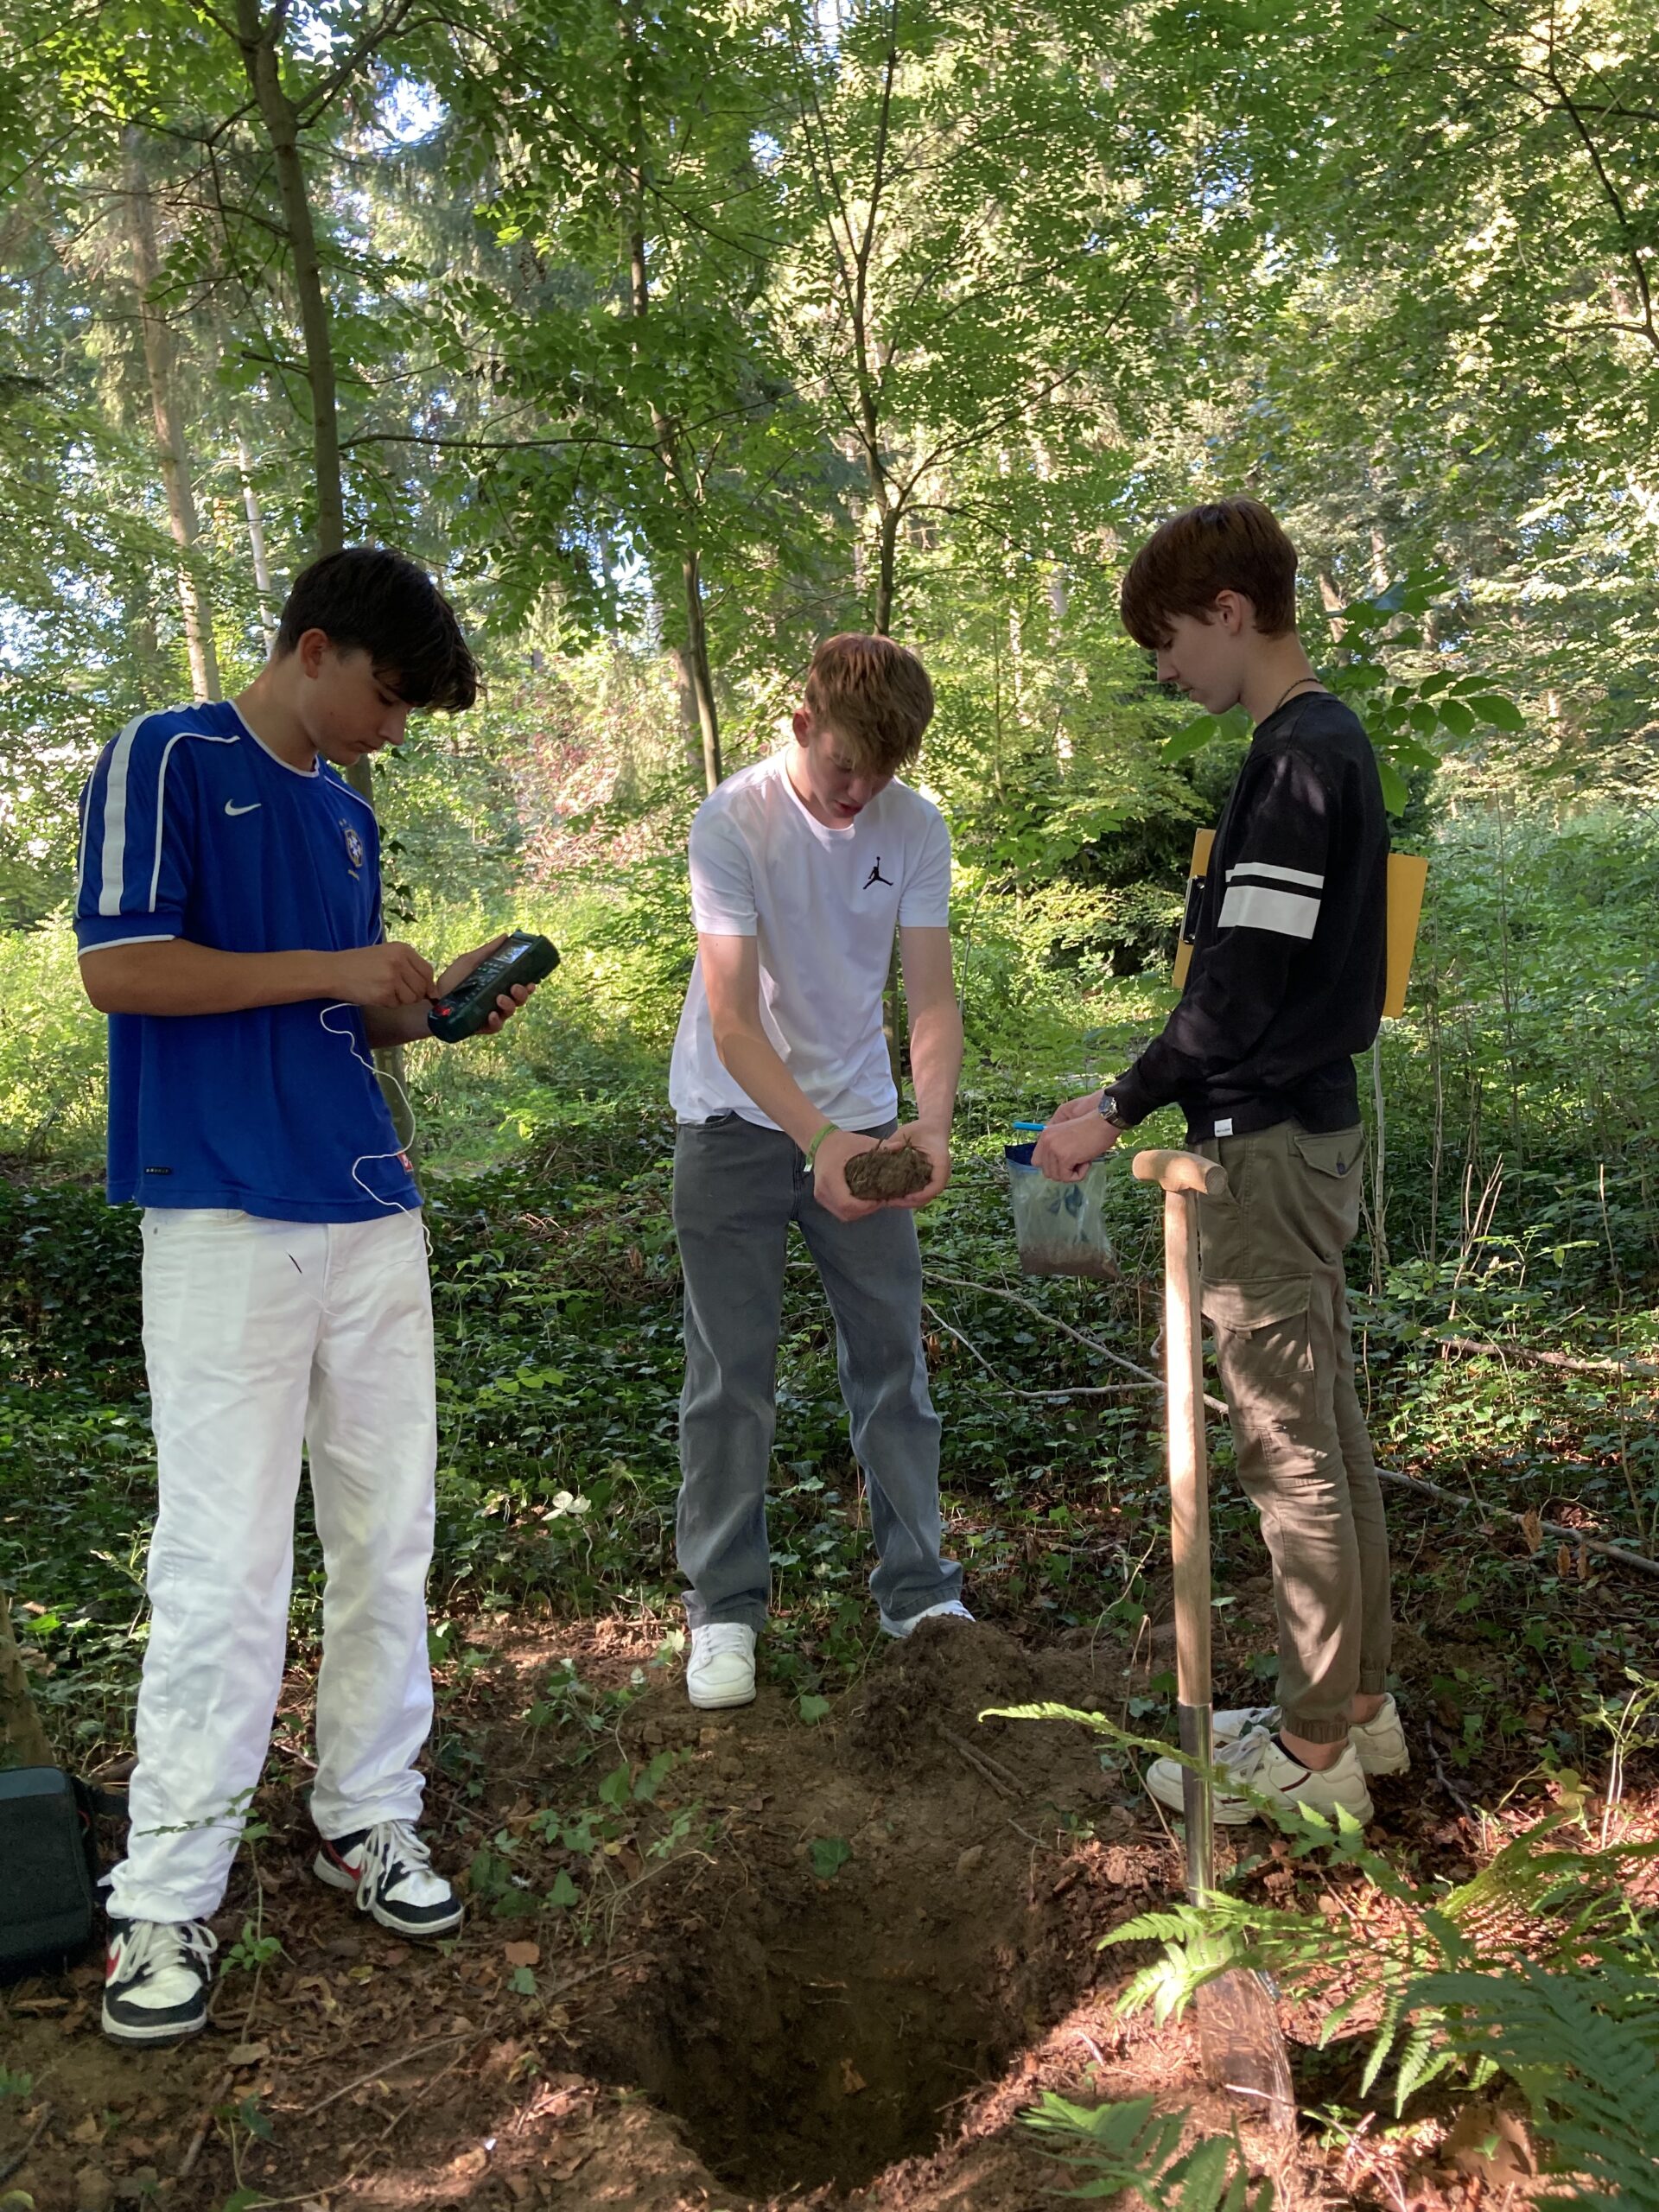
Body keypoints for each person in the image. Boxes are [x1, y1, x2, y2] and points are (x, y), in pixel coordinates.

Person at [74, 548, 538, 2046]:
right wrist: (330, 964)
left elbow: (341, 1014)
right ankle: (166, 1892)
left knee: (388, 1532)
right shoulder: (170, 755)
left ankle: (366, 1812)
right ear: (315, 647)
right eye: (387, 696)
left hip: (367, 1203)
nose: (391, 729)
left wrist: (427, 1007)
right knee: (221, 1561)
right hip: (222, 1208)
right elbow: (123, 968)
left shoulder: (346, 813)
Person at [1033, 497, 1406, 1826]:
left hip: (1269, 1148)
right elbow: (1258, 976)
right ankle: (1357, 1708)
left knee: (1288, 1452)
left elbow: (1239, 990)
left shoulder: (1299, 760)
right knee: (1330, 1434)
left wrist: (1117, 1103)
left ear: (1230, 612)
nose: (1164, 668)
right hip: (1304, 1131)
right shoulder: (1316, 746)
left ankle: (1312, 1755)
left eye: (1169, 641)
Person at [670, 632, 969, 1710]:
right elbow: (733, 1021)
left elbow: (930, 998)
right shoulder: (732, 822)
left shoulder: (915, 825)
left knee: (892, 1360)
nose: (859, 792)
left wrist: (928, 1126)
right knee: (730, 1375)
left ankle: (920, 1590)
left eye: (881, 773)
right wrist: (819, 1140)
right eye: (846, 765)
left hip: (867, 1124)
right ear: (803, 726)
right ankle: (724, 1610)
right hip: (731, 1125)